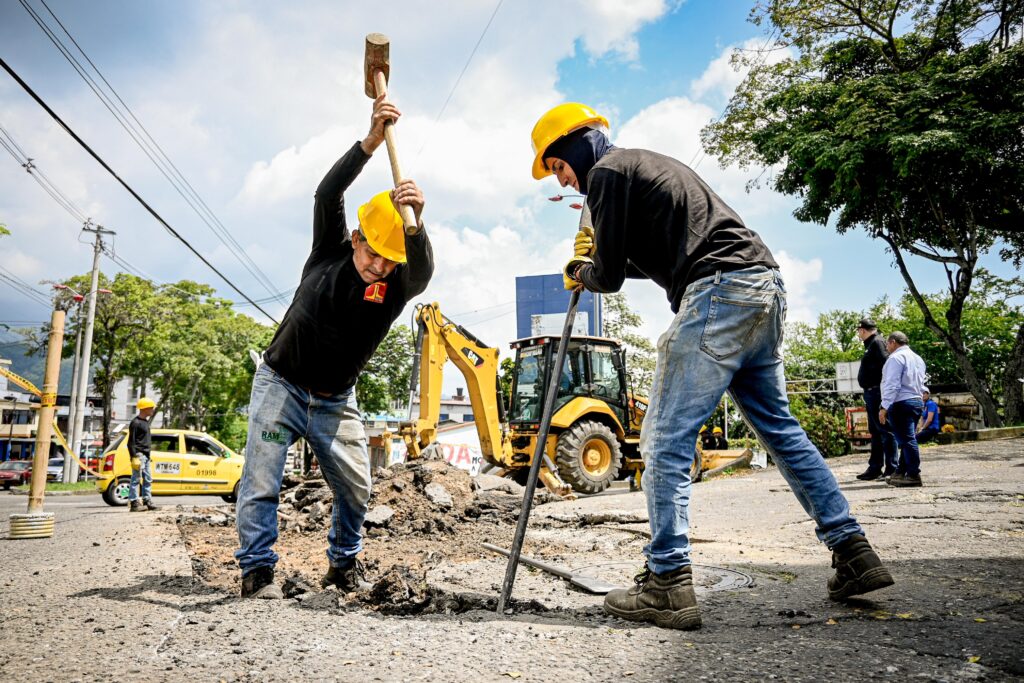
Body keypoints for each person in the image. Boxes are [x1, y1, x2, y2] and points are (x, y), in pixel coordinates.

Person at [530, 102, 892, 630]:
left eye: (560, 168)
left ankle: (667, 582)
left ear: (575, 145)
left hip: (718, 293)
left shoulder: (606, 173)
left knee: (664, 439)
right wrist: (599, 253)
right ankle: (854, 553)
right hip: (761, 288)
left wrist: (582, 268)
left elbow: (605, 276)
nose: (567, 181)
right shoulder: (638, 169)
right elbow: (629, 263)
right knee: (782, 432)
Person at [234, 94, 434, 599]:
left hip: (335, 402)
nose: (380, 268)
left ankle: (343, 564)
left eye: (391, 260)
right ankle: (257, 571)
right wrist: (369, 142)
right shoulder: (328, 250)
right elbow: (327, 193)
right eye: (374, 254)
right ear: (355, 237)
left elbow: (423, 269)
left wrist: (417, 221)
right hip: (281, 386)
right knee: (261, 483)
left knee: (356, 487)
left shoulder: (396, 286)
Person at [879, 332, 927, 487]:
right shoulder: (918, 358)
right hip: (916, 401)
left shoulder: (895, 358)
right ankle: (900, 472)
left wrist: (884, 406)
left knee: (907, 440)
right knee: (907, 438)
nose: (886, 347)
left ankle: (913, 474)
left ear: (893, 342)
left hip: (901, 402)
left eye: (887, 344)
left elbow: (892, 384)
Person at [855, 318, 898, 480]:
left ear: (863, 330)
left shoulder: (877, 343)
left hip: (877, 393)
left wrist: (884, 393)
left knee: (885, 430)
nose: (858, 333)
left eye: (859, 330)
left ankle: (892, 468)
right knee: (876, 432)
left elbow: (887, 366)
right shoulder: (872, 344)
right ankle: (875, 467)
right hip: (871, 393)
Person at [127, 397, 157, 512]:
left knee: (148, 479)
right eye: (151, 408)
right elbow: (131, 442)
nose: (153, 410)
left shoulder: (145, 422)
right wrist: (134, 457)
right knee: (136, 479)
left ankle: (147, 500)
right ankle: (134, 503)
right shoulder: (135, 423)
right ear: (145, 408)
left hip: (146, 455)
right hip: (139, 454)